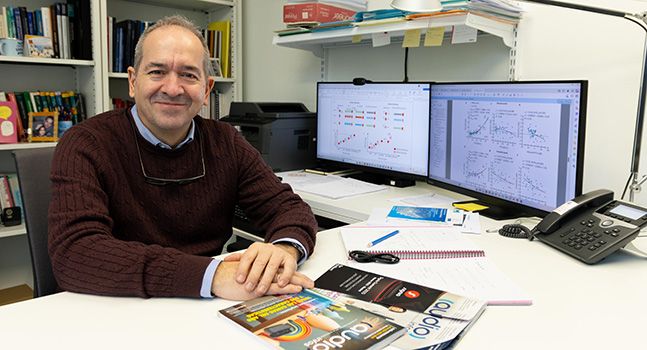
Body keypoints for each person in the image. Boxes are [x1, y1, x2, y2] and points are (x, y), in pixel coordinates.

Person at [48, 15, 318, 300]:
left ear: (206, 89)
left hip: (203, 306)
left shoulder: (226, 141)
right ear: (132, 81)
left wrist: (282, 250)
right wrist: (210, 276)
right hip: (115, 305)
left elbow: (289, 208)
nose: (173, 88)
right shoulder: (86, 143)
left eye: (188, 75)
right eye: (157, 72)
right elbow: (75, 253)